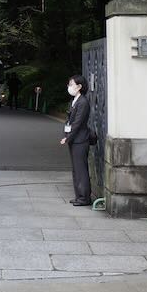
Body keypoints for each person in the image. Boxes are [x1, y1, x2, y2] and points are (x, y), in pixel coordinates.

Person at [59, 73, 92, 206]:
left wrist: (67, 138)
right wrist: (67, 137)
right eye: (69, 84)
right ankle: (79, 196)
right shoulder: (75, 101)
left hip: (80, 140)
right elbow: (70, 122)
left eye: (71, 84)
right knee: (76, 169)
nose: (69, 86)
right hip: (75, 139)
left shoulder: (83, 102)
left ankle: (84, 198)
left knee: (81, 169)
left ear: (79, 86)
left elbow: (77, 123)